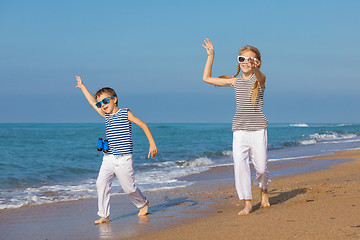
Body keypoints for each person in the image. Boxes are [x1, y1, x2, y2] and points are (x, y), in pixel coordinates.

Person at [75, 75, 157, 224]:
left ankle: (143, 203)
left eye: (105, 101)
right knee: (101, 183)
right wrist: (82, 87)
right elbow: (92, 103)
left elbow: (143, 125)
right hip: (108, 158)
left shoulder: (125, 113)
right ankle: (104, 215)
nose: (102, 104)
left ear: (115, 99)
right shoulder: (106, 115)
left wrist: (151, 143)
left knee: (129, 188)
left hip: (124, 158)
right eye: (101, 103)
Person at [202, 38, 270, 215]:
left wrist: (255, 68)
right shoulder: (235, 82)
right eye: (242, 59)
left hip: (258, 130)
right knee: (240, 166)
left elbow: (261, 76)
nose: (246, 62)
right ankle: (247, 203)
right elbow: (206, 78)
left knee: (261, 169)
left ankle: (263, 191)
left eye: (250, 59)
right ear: (238, 62)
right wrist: (211, 56)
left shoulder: (259, 81)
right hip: (239, 130)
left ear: (257, 63)